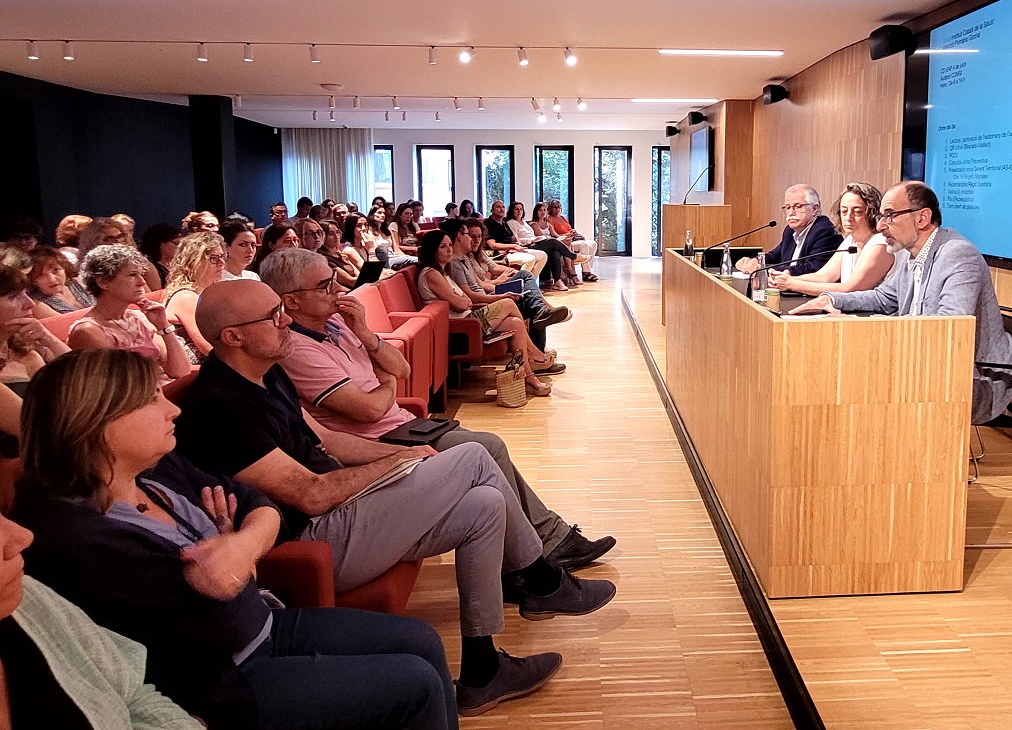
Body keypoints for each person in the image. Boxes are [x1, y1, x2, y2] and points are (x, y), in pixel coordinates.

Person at [176, 281, 616, 716]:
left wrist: (403, 453)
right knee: (475, 457)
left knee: (484, 504)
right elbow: (310, 495)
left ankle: (483, 670)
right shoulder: (218, 408)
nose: (285, 320)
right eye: (272, 316)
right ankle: (541, 580)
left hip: (344, 510)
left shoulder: (265, 373)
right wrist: (394, 466)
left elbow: (329, 441)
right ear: (232, 336)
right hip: (313, 538)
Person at [14, 348, 458, 729]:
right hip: (223, 681)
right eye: (150, 401)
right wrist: (237, 548)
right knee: (413, 684)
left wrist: (240, 545)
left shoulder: (156, 468)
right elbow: (222, 623)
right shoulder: (71, 535)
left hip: (265, 622)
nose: (173, 409)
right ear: (96, 420)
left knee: (421, 640)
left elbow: (257, 503)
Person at [259, 248, 608, 569]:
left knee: (490, 447)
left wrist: (367, 335)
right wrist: (387, 382)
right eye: (324, 285)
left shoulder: (340, 324)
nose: (338, 290)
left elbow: (401, 368)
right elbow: (368, 410)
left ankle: (545, 541)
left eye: (335, 279)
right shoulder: (297, 350)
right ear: (291, 301)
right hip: (379, 439)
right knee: (488, 446)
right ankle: (541, 548)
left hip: (403, 424)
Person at [792, 181, 1012, 424]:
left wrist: (862, 325)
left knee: (865, 381)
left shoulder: (957, 254)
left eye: (889, 215)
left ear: (922, 218)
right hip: (924, 361)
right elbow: (883, 298)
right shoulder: (909, 253)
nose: (880, 226)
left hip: (973, 377)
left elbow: (949, 327)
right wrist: (831, 299)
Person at [0, 510, 203, 728]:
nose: (23, 536)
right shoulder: (77, 534)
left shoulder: (28, 599)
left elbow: (134, 694)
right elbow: (224, 620)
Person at [416, 231, 556, 397]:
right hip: (460, 327)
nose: (449, 250)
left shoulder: (443, 273)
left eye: (450, 245)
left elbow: (466, 299)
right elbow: (461, 303)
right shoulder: (431, 273)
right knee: (509, 303)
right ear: (432, 250)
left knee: (516, 324)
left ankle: (528, 378)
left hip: (467, 319)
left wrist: (463, 300)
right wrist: (462, 300)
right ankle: (535, 354)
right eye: (443, 247)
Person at [68, 245, 192, 382]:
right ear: (103, 282)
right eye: (132, 275)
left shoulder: (138, 317)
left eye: (141, 275)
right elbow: (126, 385)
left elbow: (181, 371)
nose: (142, 282)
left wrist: (163, 326)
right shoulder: (88, 331)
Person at [449, 219, 570, 353]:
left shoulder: (466, 259)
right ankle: (539, 338)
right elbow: (475, 292)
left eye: (479, 236)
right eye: (470, 236)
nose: (475, 240)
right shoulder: (459, 262)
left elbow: (488, 273)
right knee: (528, 292)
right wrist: (499, 285)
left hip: (489, 294)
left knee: (527, 278)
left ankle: (540, 330)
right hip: (488, 297)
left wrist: (505, 278)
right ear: (459, 237)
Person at [773, 182, 895, 297]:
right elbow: (823, 277)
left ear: (872, 213)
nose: (848, 217)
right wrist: (783, 278)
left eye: (857, 212)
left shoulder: (880, 243)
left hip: (877, 316)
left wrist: (792, 284)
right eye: (844, 211)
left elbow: (850, 289)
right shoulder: (850, 240)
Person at [736, 183, 841, 275]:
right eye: (788, 207)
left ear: (814, 209)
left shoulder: (825, 232)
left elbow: (812, 269)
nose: (791, 213)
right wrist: (754, 262)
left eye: (798, 206)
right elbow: (774, 256)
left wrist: (762, 269)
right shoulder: (790, 231)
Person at [0, 266, 70, 395]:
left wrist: (48, 338)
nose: (30, 303)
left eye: (26, 293)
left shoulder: (25, 348)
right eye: (14, 297)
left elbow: (84, 377)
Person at [163, 232, 227, 363]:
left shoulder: (208, 292)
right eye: (213, 258)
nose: (221, 263)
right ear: (193, 261)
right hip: (194, 371)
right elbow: (207, 347)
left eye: (222, 256)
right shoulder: (186, 297)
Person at [506, 203, 576, 290]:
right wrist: (531, 240)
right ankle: (572, 255)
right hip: (527, 245)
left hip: (535, 242)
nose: (519, 211)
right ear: (512, 211)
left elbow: (532, 235)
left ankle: (557, 281)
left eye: (521, 209)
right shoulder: (511, 223)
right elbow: (517, 240)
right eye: (516, 209)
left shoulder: (524, 222)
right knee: (552, 241)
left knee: (555, 253)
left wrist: (536, 238)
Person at [483, 202, 547, 277]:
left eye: (503, 207)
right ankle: (519, 284)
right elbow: (492, 245)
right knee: (530, 259)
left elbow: (514, 238)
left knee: (543, 255)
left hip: (513, 250)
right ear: (492, 210)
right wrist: (513, 246)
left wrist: (518, 244)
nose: (501, 209)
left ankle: (528, 283)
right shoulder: (487, 224)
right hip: (500, 253)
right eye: (498, 207)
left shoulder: (504, 223)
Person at [28, 245, 95, 314]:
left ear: (65, 268)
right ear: (33, 280)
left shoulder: (80, 283)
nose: (52, 279)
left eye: (56, 270)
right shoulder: (36, 303)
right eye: (41, 275)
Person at [546, 200, 599, 282]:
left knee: (593, 243)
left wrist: (574, 232)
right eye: (555, 207)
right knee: (584, 245)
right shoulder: (550, 219)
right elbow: (554, 235)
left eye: (559, 207)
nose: (557, 209)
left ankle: (588, 269)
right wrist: (568, 234)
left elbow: (569, 229)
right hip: (563, 242)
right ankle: (586, 272)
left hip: (571, 238)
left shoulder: (563, 218)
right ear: (550, 208)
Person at [139, 223, 183, 291]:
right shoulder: (149, 266)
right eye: (176, 243)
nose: (179, 247)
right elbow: (158, 293)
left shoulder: (177, 263)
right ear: (160, 244)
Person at [318, 220, 360, 288]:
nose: (336, 236)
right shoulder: (325, 260)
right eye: (331, 234)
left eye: (337, 232)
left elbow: (358, 275)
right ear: (323, 237)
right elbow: (350, 281)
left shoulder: (341, 255)